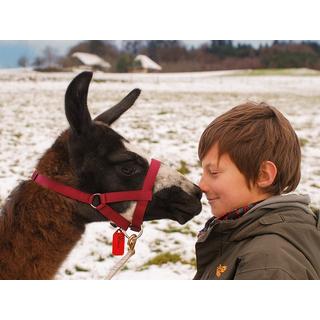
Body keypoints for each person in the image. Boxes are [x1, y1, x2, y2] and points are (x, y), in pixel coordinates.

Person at [194, 101, 320, 280]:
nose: (201, 185)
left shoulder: (267, 263)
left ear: (263, 175)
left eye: (213, 172)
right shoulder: (244, 235)